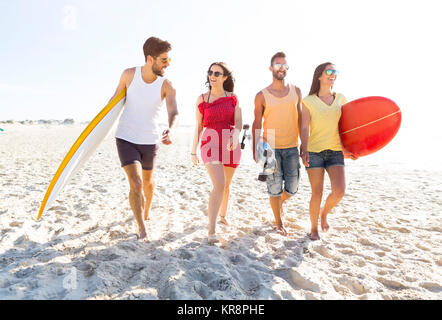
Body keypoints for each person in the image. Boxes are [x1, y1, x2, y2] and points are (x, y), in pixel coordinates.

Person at [109, 37, 178, 242]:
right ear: (150, 59)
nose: (167, 64)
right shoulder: (129, 75)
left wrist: (170, 129)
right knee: (136, 183)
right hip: (126, 137)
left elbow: (173, 110)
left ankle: (146, 210)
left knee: (148, 181)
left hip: (150, 140)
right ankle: (142, 228)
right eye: (163, 60)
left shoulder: (167, 85)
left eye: (169, 60)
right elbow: (113, 102)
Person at [300, 62, 355, 241]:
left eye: (335, 72)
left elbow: (348, 127)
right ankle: (314, 228)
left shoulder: (341, 98)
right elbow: (304, 127)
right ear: (320, 76)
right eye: (329, 71)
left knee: (339, 191)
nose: (333, 74)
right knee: (317, 192)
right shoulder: (308, 102)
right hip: (314, 151)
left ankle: (324, 213)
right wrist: (304, 148)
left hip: (335, 151)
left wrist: (351, 148)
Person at [252, 52, 302, 236]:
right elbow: (257, 122)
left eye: (284, 65)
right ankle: (279, 222)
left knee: (293, 187)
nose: (281, 68)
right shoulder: (261, 95)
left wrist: (304, 144)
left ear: (287, 69)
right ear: (271, 68)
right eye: (277, 65)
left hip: (291, 146)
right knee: (274, 188)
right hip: (269, 146)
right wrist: (255, 147)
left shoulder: (296, 91)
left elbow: (301, 119)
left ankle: (279, 204)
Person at [191, 62, 242, 244]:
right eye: (210, 72)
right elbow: (198, 126)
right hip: (209, 144)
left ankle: (223, 215)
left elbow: (238, 121)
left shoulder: (232, 98)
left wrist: (235, 137)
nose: (212, 75)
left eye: (217, 73)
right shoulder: (202, 99)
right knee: (219, 184)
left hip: (230, 145)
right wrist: (193, 151)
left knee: (225, 185)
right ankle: (211, 231)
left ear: (225, 77)